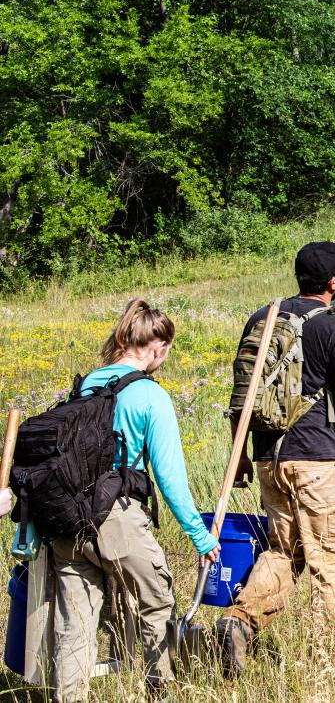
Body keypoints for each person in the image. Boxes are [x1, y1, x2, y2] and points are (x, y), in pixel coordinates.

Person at [216, 241, 335, 676]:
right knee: (332, 559)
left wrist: (244, 458)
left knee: (282, 552)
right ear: (332, 282)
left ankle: (240, 620)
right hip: (319, 463)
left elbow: (241, 397)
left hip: (270, 459)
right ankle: (333, 664)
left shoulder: (264, 319)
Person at [51, 300, 221, 702]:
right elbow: (170, 478)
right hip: (116, 518)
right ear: (157, 345)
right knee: (157, 601)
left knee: (75, 623)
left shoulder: (87, 384)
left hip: (66, 519)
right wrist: (200, 536)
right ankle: (159, 692)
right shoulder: (149, 395)